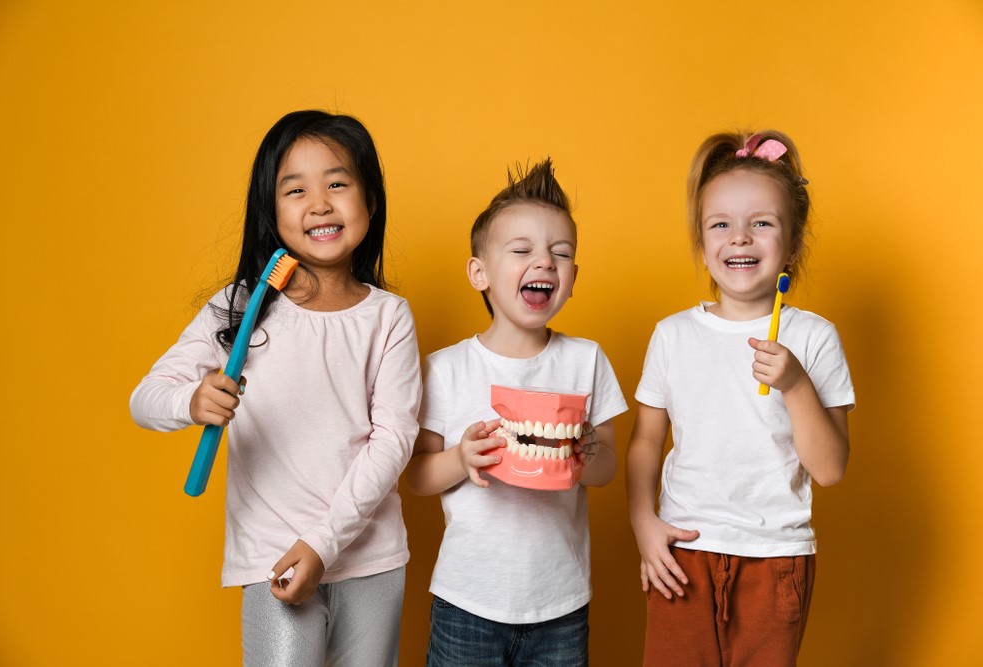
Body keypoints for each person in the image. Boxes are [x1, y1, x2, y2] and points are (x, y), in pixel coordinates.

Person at [130, 110, 421, 666]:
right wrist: (190, 402)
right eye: (295, 189)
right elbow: (144, 399)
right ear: (271, 209)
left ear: (371, 200)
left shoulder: (390, 317)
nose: (320, 203)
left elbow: (393, 439)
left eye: (338, 183)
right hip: (271, 558)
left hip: (371, 558)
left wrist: (323, 544)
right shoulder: (239, 306)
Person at [627, 130, 855, 666]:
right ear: (702, 241)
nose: (740, 238)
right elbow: (645, 442)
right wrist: (643, 523)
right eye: (721, 224)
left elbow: (831, 468)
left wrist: (796, 385)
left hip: (776, 560)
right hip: (682, 552)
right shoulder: (672, 335)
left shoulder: (814, 338)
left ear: (793, 243)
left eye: (762, 223)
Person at [406, 159, 627, 666]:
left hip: (561, 603)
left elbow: (608, 467)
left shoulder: (585, 359)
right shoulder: (447, 369)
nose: (544, 262)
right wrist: (462, 458)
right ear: (479, 273)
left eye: (561, 253)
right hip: (467, 601)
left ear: (572, 279)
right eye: (522, 250)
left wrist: (587, 453)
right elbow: (417, 474)